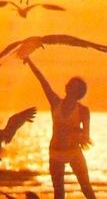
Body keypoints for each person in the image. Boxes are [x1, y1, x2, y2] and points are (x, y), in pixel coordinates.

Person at [24, 57, 96, 199]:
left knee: (86, 188)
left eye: (72, 85)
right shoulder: (55, 102)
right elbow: (43, 82)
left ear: (78, 91)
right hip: (55, 153)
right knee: (59, 193)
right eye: (69, 84)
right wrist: (30, 61)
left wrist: (74, 133)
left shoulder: (83, 111)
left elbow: (86, 135)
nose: (68, 85)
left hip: (74, 152)